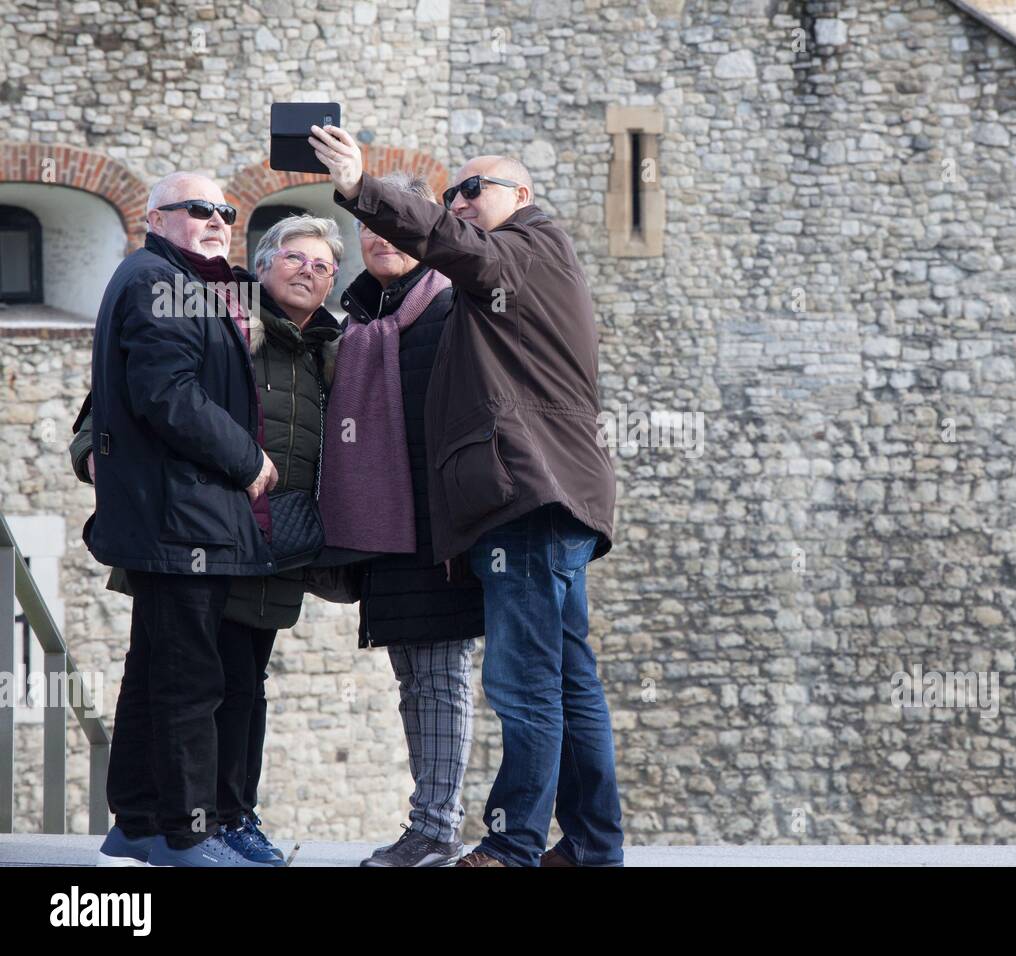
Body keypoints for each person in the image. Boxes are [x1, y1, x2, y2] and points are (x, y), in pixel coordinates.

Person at [311, 125, 623, 867]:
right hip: (543, 499)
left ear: (523, 196)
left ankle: (515, 843)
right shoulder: (506, 281)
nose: (459, 202)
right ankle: (590, 844)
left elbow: (457, 250)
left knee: (523, 682)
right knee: (570, 679)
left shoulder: (529, 249)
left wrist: (361, 188)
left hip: (526, 498)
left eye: (473, 189)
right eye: (451, 193)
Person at [74, 214, 345, 865]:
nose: (307, 271)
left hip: (282, 542)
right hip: (206, 534)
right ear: (265, 264)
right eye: (295, 258)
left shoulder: (336, 350)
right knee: (196, 678)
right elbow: (113, 406)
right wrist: (99, 460)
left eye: (323, 266)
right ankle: (188, 823)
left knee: (247, 681)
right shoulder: (218, 320)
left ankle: (229, 814)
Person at [82, 171, 280, 867]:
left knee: (156, 671)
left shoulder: (175, 282)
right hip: (181, 518)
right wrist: (248, 459)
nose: (217, 220)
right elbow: (168, 396)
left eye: (225, 211)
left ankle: (135, 821)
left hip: (178, 515)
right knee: (190, 680)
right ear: (156, 219)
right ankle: (184, 833)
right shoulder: (153, 282)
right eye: (198, 209)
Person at [320, 172, 484, 867]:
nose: (380, 237)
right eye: (369, 227)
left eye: (394, 225)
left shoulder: (457, 309)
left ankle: (437, 827)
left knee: (442, 680)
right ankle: (428, 823)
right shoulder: (360, 321)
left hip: (443, 533)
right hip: (386, 533)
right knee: (412, 682)